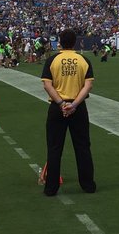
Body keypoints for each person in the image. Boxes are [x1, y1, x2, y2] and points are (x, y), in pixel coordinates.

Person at [40, 29, 96, 197]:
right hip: (78, 107)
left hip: (57, 107)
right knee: (83, 147)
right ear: (75, 42)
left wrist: (61, 103)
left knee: (55, 148)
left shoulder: (52, 60)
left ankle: (51, 187)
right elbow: (88, 86)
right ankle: (87, 185)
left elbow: (47, 85)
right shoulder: (83, 60)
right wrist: (74, 104)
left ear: (60, 42)